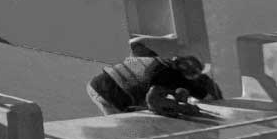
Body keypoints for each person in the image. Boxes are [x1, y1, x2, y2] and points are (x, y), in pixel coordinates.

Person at [87, 52, 222, 117]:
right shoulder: (170, 76)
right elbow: (153, 101)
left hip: (97, 86)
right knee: (131, 130)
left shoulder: (164, 64)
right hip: (111, 91)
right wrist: (182, 109)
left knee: (125, 124)